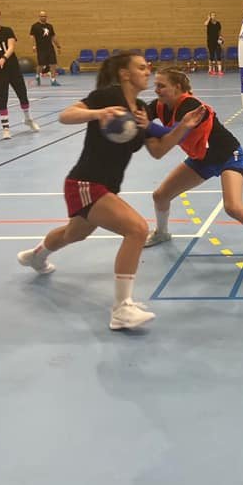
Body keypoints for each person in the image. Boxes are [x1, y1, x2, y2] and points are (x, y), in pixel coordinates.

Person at [16, 52, 205, 330]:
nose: (147, 71)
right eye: (141, 67)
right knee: (137, 229)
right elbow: (66, 115)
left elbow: (158, 150)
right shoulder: (108, 96)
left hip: (106, 187)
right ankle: (121, 309)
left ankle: (36, 255)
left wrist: (184, 127)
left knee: (74, 234)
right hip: (85, 182)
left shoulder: (141, 108)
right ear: (125, 74)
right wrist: (98, 113)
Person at [142, 67, 243, 272]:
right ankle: (162, 233)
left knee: (233, 207)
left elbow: (173, 133)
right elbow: (141, 113)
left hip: (228, 156)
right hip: (201, 159)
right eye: (155, 85)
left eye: (161, 86)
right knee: (160, 196)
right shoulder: (160, 106)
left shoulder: (191, 106)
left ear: (177, 87)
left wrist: (146, 126)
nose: (156, 90)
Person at [0, 7, 40, 140]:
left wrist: (3, 58)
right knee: (2, 98)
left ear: (0, 17)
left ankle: (28, 119)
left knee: (22, 94)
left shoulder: (7, 31)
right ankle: (6, 128)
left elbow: (11, 47)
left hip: (12, 68)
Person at [30, 10, 63, 86]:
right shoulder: (35, 26)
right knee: (41, 64)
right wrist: (34, 45)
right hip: (41, 48)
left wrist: (58, 46)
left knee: (53, 64)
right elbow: (32, 37)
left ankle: (53, 80)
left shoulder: (49, 26)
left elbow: (53, 37)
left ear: (46, 17)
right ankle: (37, 76)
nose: (43, 17)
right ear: (39, 17)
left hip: (50, 48)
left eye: (44, 16)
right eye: (42, 16)